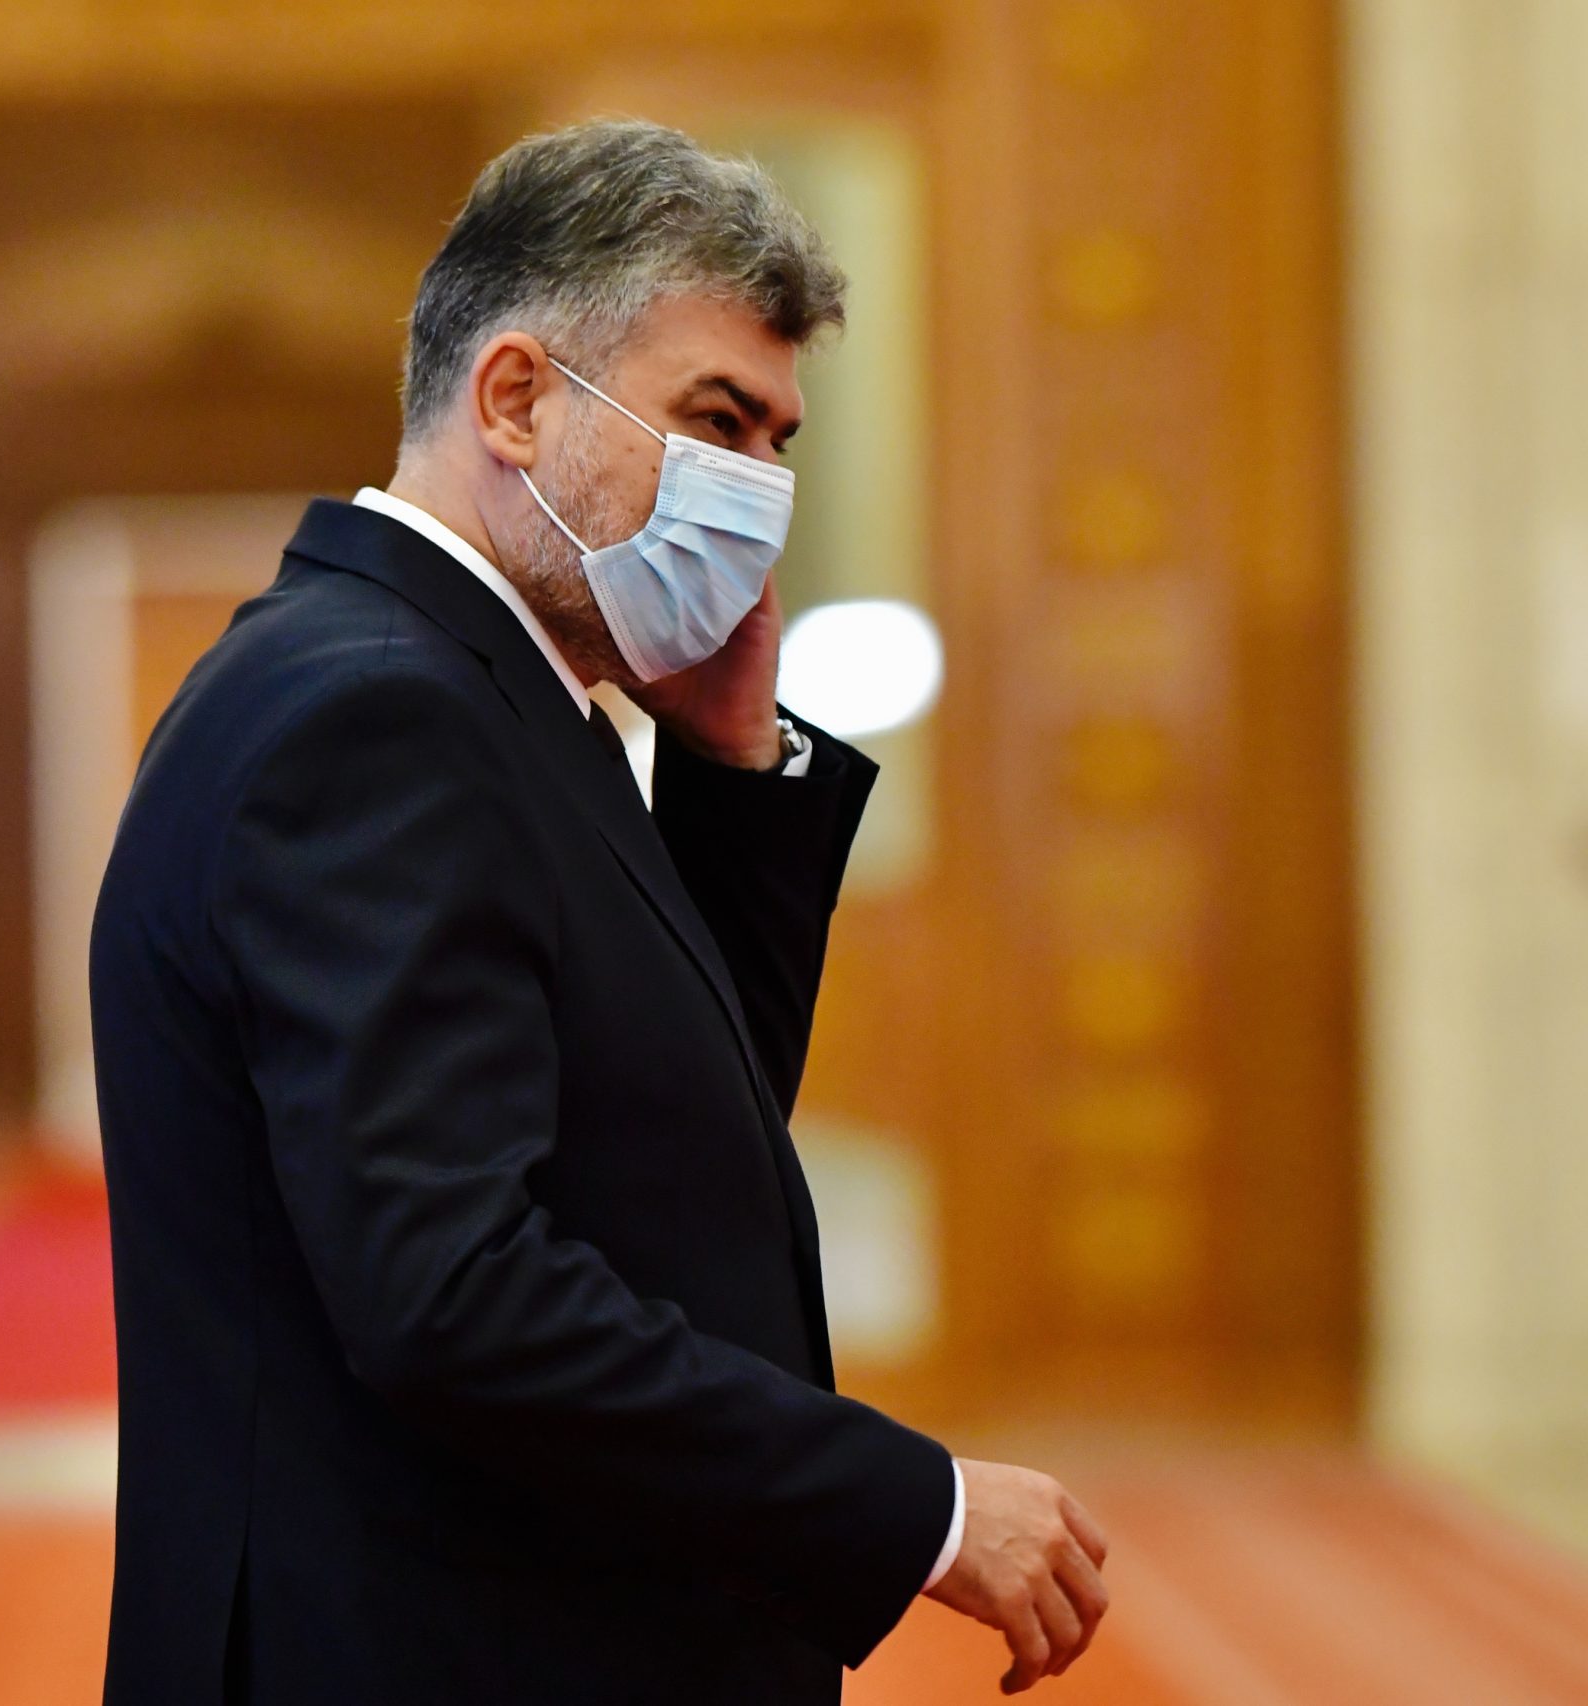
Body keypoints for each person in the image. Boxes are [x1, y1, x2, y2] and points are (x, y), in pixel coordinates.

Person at [90, 117, 1109, 1705]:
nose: (759, 492)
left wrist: (727, 764)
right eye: (718, 419)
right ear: (515, 399)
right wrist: (919, 1509)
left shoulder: (473, 692)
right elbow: (456, 1291)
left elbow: (668, 1158)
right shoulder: (379, 715)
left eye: (778, 442)